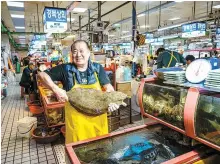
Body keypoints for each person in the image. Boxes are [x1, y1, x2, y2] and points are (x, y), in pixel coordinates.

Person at [38, 40, 122, 143]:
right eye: (75, 51)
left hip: (98, 121)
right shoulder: (65, 69)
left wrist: (112, 100)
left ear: (88, 53)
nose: (78, 55)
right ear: (71, 54)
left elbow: (108, 87)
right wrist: (56, 89)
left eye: (81, 51)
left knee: (100, 151)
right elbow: (42, 75)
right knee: (78, 155)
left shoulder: (97, 68)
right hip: (77, 125)